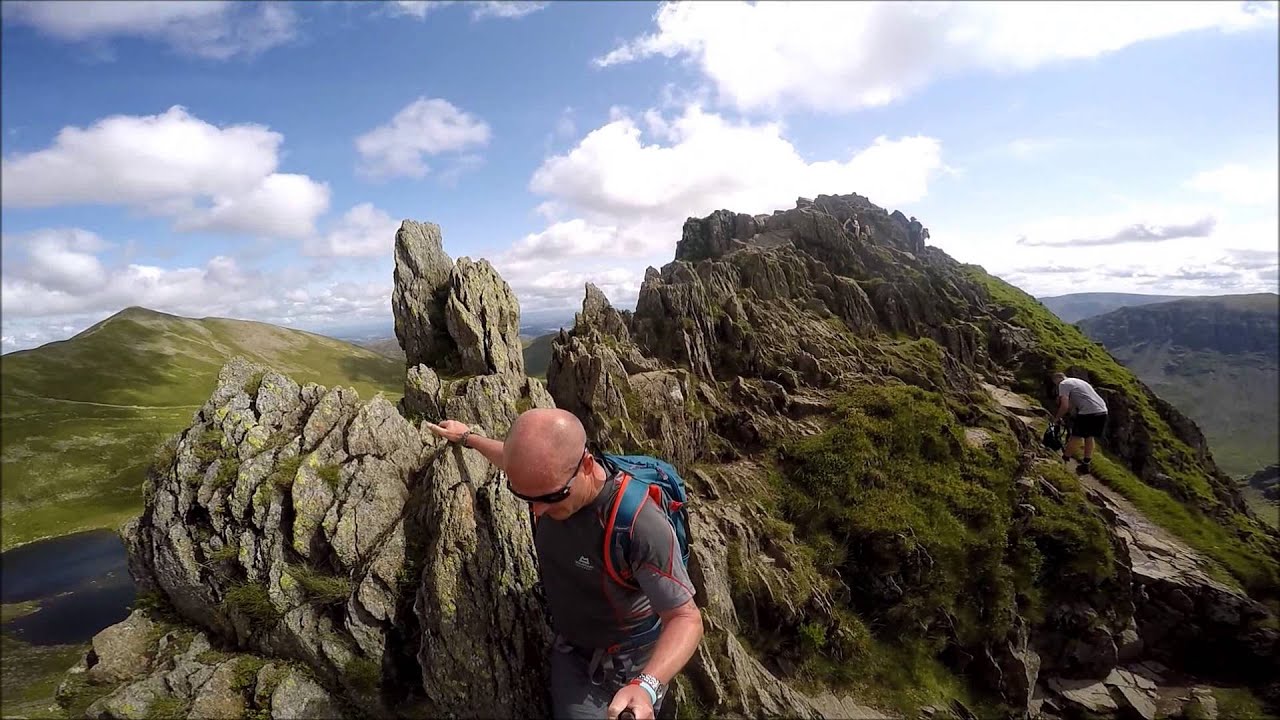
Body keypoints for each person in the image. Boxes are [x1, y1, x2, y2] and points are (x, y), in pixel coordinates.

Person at [425, 408, 704, 720]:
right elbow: (516, 461)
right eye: (525, 498)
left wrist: (647, 685)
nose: (539, 510)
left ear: (586, 465)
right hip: (571, 652)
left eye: (552, 497)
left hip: (628, 666)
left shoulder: (638, 524)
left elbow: (685, 618)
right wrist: (467, 437)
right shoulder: (547, 480)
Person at [1052, 372, 1109, 475]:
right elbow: (1074, 403)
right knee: (1089, 436)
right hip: (1102, 410)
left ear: (1057, 380)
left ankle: (1064, 460)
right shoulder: (1080, 382)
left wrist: (1056, 419)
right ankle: (1086, 464)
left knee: (1076, 436)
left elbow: (1065, 406)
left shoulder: (1063, 384)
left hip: (1088, 412)